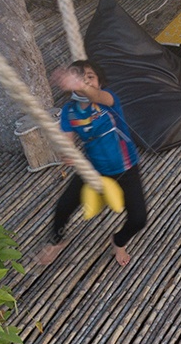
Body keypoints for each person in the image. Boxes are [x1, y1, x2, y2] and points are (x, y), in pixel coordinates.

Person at [38, 61, 147, 267]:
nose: (84, 81)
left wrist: (79, 84)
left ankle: (119, 241)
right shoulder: (70, 112)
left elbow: (95, 95)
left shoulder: (107, 100)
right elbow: (66, 140)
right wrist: (66, 152)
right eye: (77, 77)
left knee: (139, 219)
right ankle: (57, 241)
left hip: (126, 168)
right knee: (63, 207)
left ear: (99, 81)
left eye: (89, 77)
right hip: (94, 170)